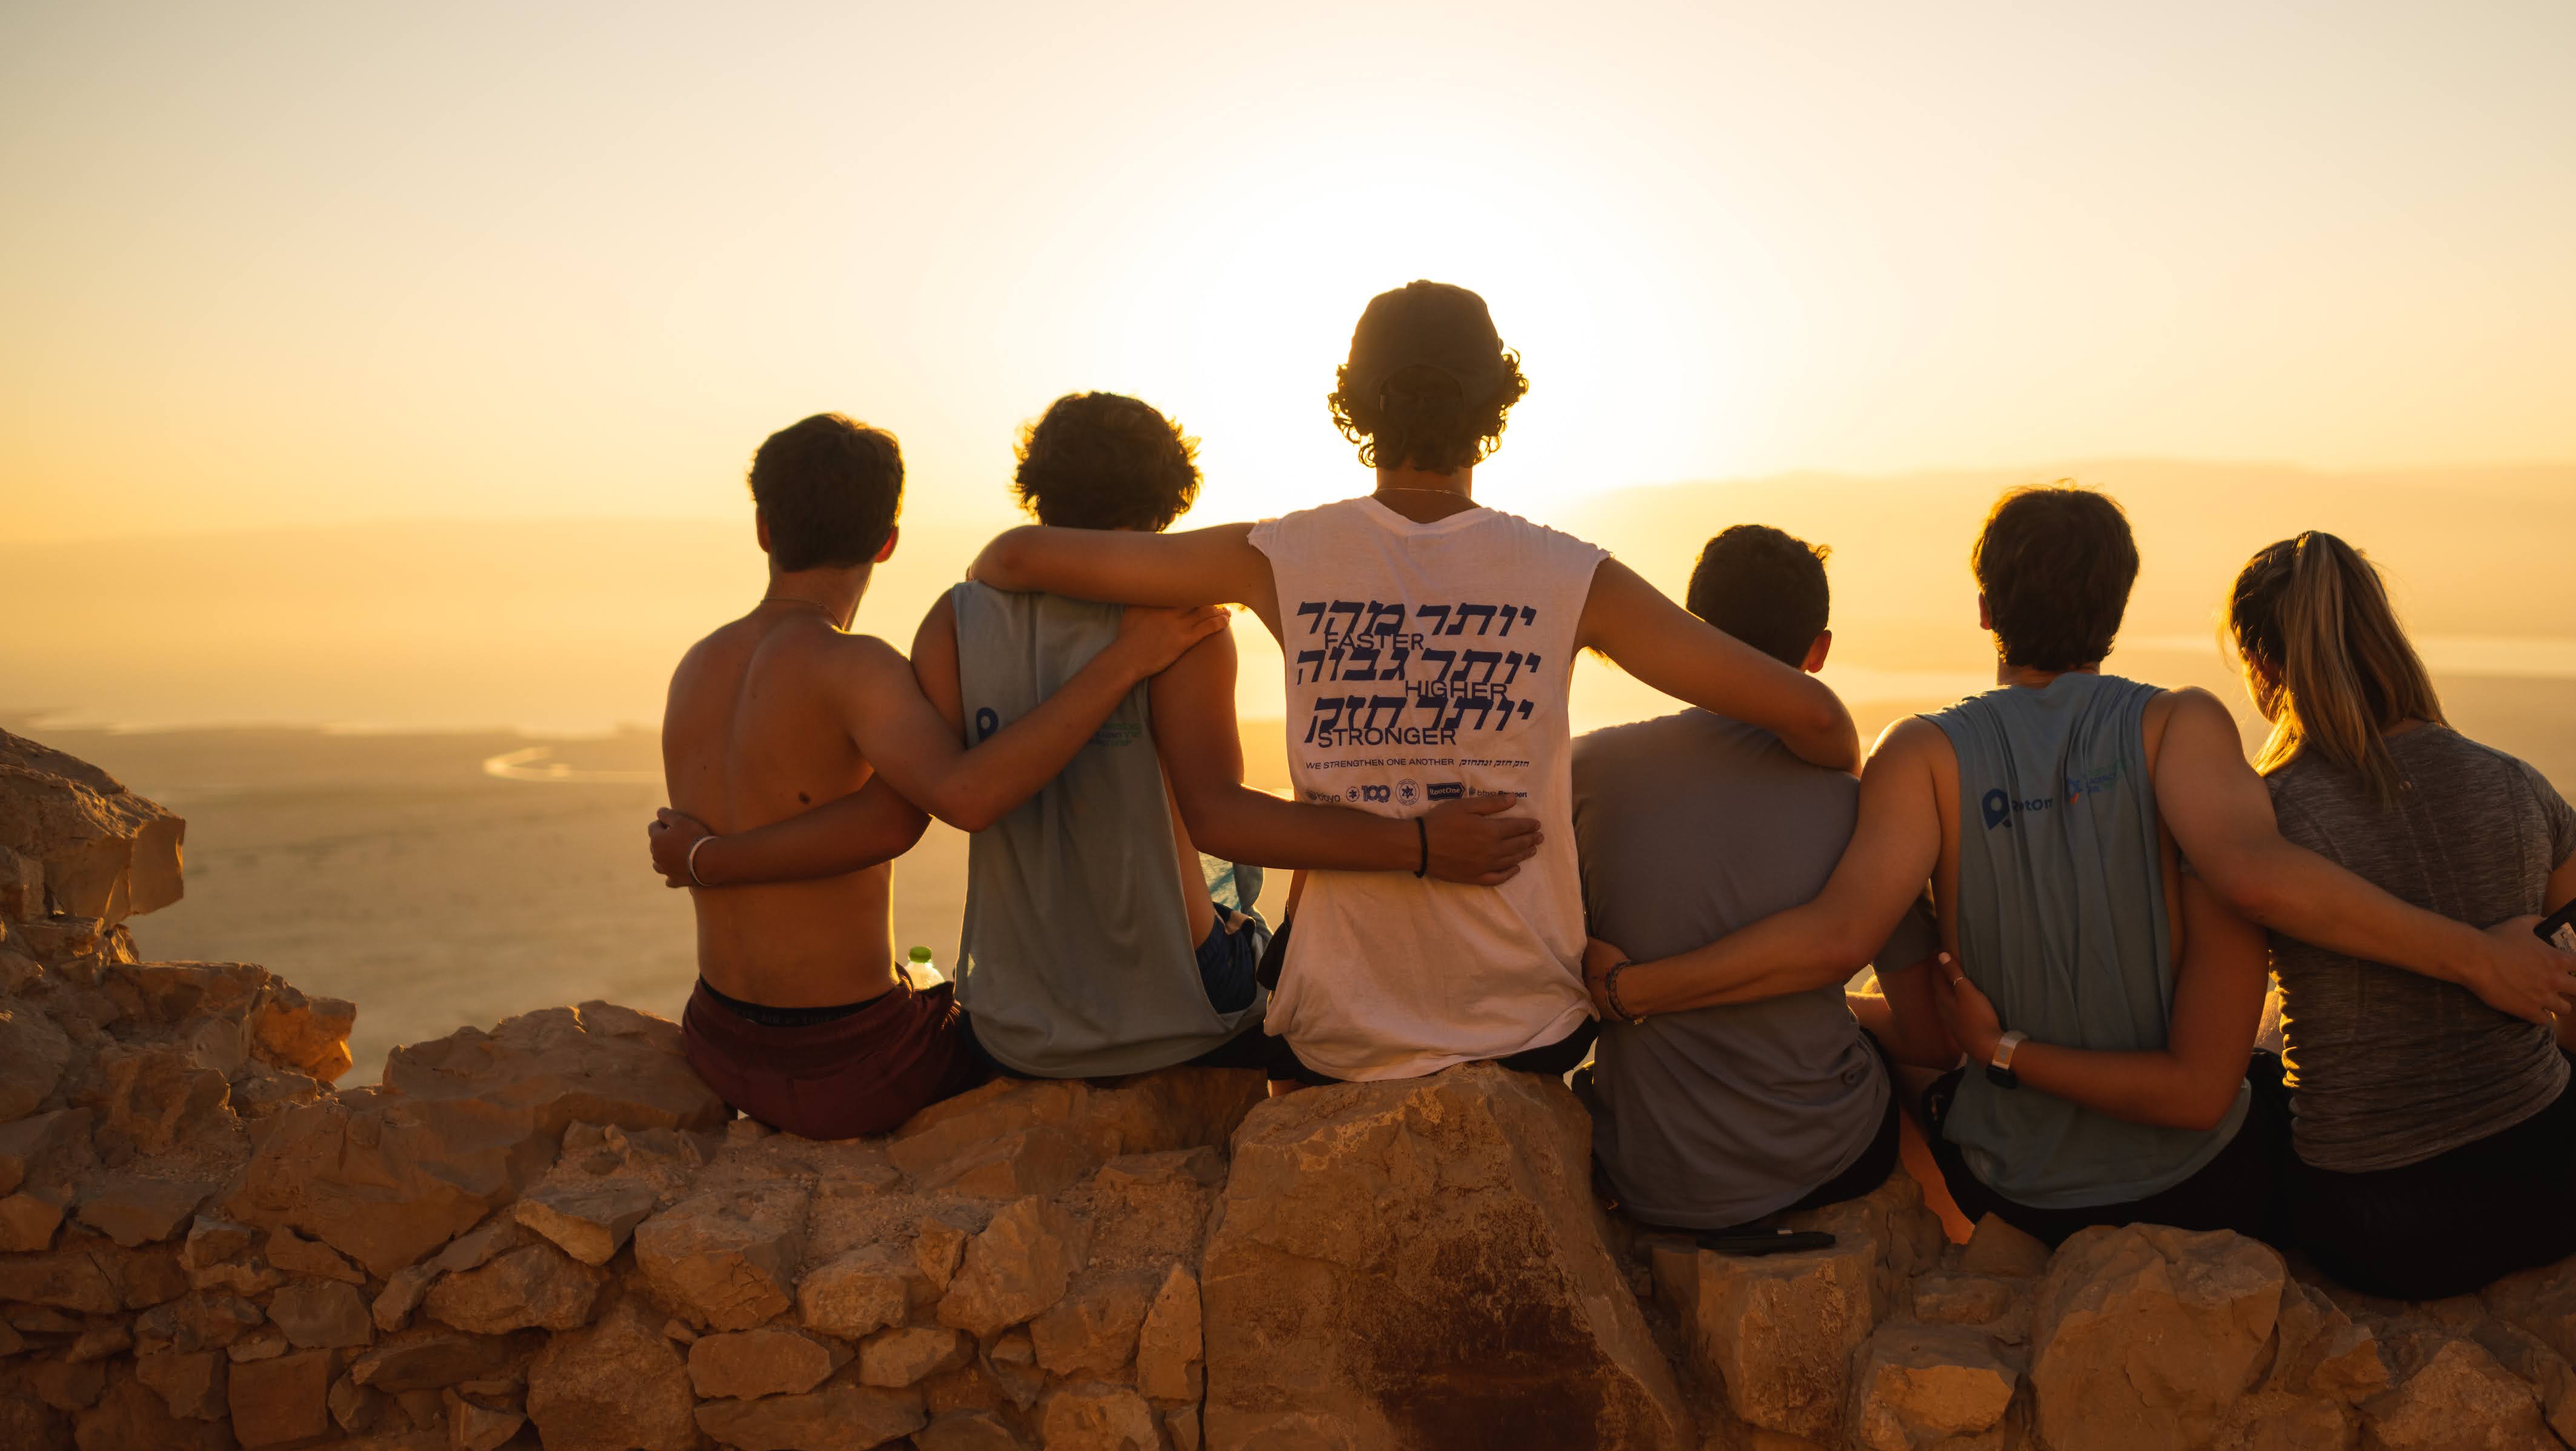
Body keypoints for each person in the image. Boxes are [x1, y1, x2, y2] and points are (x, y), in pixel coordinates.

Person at [1584, 484, 2576, 1248]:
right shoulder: (2181, 727)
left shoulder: (1920, 754)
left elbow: (1838, 939)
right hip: (2198, 1179)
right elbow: (2252, 873)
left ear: (1983, 609)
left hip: (2006, 1181)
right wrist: (2471, 955)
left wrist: (1641, 988)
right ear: (2117, 605)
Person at [969, 281, 1860, 1085]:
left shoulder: (1276, 557)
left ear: (1355, 406)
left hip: (1337, 1032)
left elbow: (1009, 558)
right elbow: (1818, 722)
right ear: (1494, 407)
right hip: (1525, 1026)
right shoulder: (1574, 577)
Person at [653, 393, 1544, 1083]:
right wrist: (1419, 844)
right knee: (1254, 890)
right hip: (1180, 1018)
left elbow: (919, 808)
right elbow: (1217, 818)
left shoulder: (954, 621)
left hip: (1012, 1029)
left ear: (1037, 493)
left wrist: (707, 857)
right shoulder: (1185, 621)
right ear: (1166, 508)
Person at [656, 411, 1226, 1138]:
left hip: (718, 1038)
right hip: (851, 1062)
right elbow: (934, 805)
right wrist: (1123, 661)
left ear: (764, 527)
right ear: (888, 541)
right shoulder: (857, 668)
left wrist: (705, 860)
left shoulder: (696, 665)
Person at [2225, 531, 2576, 1298]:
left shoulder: (2262, 824)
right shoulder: (2520, 789)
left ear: (2262, 666)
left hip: (2382, 1229)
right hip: (2563, 1184)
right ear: (2386, 636)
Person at [1569, 525, 1939, 1234]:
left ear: (1689, 631)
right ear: (1818, 650)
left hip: (1645, 1173)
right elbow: (1925, 1033)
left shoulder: (1587, 772)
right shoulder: (1856, 805)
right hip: (1821, 1162)